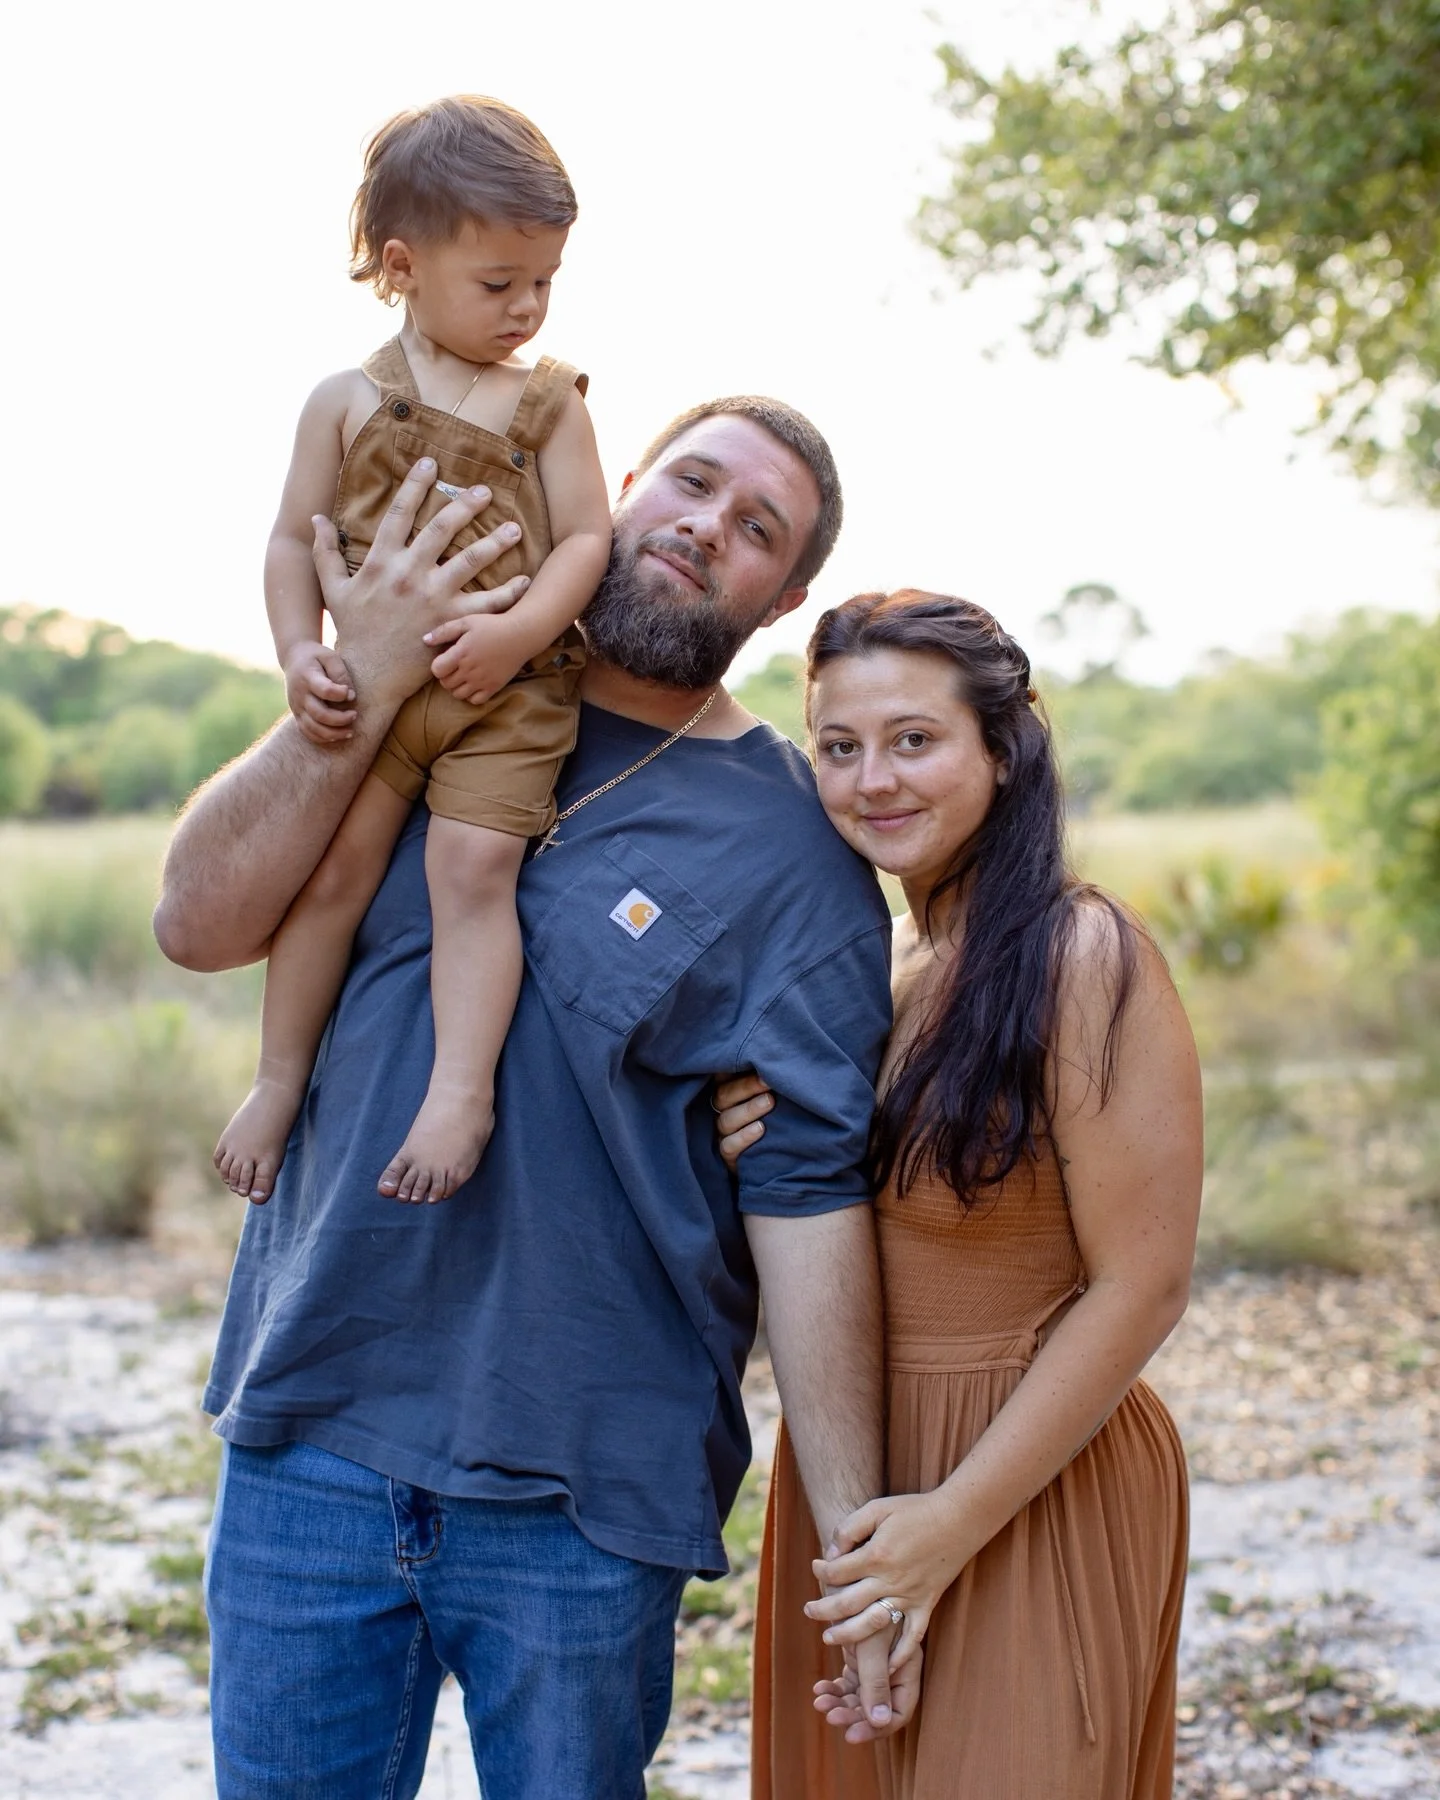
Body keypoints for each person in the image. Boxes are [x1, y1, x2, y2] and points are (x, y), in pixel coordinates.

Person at [154, 404, 919, 1798]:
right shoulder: (435, 680)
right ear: (621, 487)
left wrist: (858, 1546)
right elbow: (199, 924)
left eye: (759, 530)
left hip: (585, 1491)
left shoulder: (796, 857)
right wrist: (367, 678)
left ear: (783, 599)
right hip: (312, 1427)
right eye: (694, 484)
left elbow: (809, 1204)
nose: (707, 527)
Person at [715, 590, 1203, 1799]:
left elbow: (1144, 1286)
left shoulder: (1082, 955)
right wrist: (740, 1138)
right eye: (839, 746)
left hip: (1025, 1478)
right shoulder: (878, 968)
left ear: (1004, 746)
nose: (873, 779)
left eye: (914, 739)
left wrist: (947, 1528)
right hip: (858, 1479)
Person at [214, 95, 611, 1209]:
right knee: (332, 878)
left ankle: (458, 1092)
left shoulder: (548, 405)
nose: (526, 306)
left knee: (468, 871)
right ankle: (277, 1079)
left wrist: (521, 630)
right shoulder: (344, 404)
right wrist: (301, 655)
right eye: (500, 284)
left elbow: (587, 538)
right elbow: (293, 541)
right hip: (381, 696)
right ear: (403, 266)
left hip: (510, 692)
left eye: (545, 280)